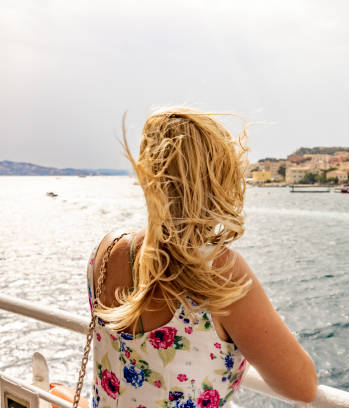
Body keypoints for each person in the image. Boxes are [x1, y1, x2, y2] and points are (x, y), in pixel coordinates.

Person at [86, 107, 317, 407]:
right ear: (219, 180)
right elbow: (302, 386)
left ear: (146, 176)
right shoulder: (220, 271)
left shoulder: (106, 250)